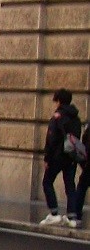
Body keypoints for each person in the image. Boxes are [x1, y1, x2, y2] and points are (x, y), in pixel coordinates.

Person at [39, 88, 81, 226]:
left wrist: (47, 158)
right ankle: (72, 216)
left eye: (55, 101)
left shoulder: (57, 117)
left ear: (59, 101)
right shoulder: (76, 118)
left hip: (57, 156)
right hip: (71, 156)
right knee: (70, 186)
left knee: (47, 182)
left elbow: (51, 138)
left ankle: (54, 213)